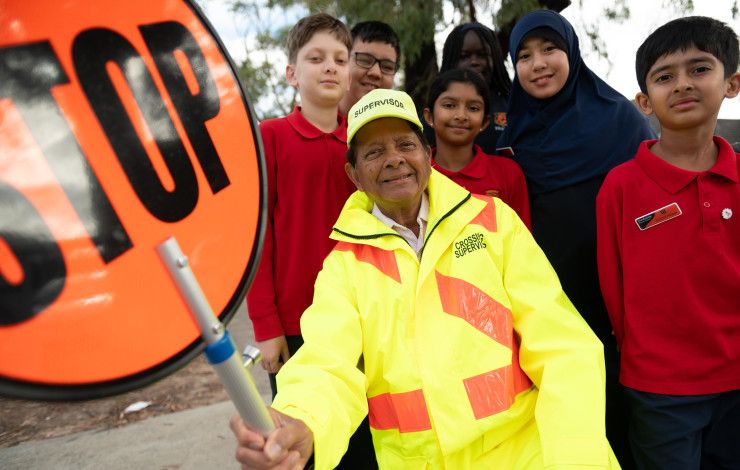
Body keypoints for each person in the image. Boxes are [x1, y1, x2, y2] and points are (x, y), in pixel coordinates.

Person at [230, 88, 620, 469]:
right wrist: (302, 421)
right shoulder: (344, 266)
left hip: (527, 455)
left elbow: (562, 347)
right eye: (374, 152)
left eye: (405, 144)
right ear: (354, 174)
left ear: (428, 155)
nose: (394, 160)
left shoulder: (493, 222)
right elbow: (325, 365)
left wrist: (576, 458)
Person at [496, 10, 655, 467]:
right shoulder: (510, 135)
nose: (538, 63)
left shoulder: (620, 118)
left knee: (629, 415)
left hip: (616, 291)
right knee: (568, 411)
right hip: (545, 298)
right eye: (524, 56)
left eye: (550, 49)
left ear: (572, 53)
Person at [596, 16, 740, 469]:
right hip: (659, 390)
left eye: (699, 69)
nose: (682, 85)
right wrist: (642, 356)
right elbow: (612, 286)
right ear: (644, 101)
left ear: (731, 83)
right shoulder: (621, 187)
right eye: (664, 77)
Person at [246, 12, 354, 393]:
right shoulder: (270, 137)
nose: (330, 67)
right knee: (307, 443)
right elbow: (257, 238)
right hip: (296, 324)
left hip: (360, 317)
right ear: (292, 73)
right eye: (316, 58)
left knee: (364, 443)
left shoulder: (363, 142)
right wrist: (266, 325)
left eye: (340, 60)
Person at [423, 67, 531, 228]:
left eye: (473, 108)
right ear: (429, 116)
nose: (460, 116)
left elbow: (523, 242)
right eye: (449, 105)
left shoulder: (508, 173)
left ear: (485, 122)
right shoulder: (416, 174)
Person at [423, 22, 511, 154]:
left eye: (482, 55)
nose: (474, 61)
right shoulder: (436, 111)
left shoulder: (512, 105)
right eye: (464, 56)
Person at [338, 21, 400, 116]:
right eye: (365, 60)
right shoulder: (312, 120)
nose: (376, 73)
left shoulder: (399, 128)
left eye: (387, 67)